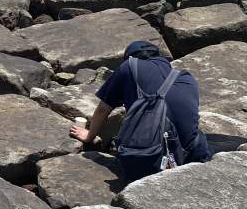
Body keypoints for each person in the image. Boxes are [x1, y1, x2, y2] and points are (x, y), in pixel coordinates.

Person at [70, 40, 212, 183]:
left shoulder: (130, 66)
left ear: (130, 57)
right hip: (192, 158)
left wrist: (89, 136)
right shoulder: (186, 77)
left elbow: (103, 109)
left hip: (151, 162)